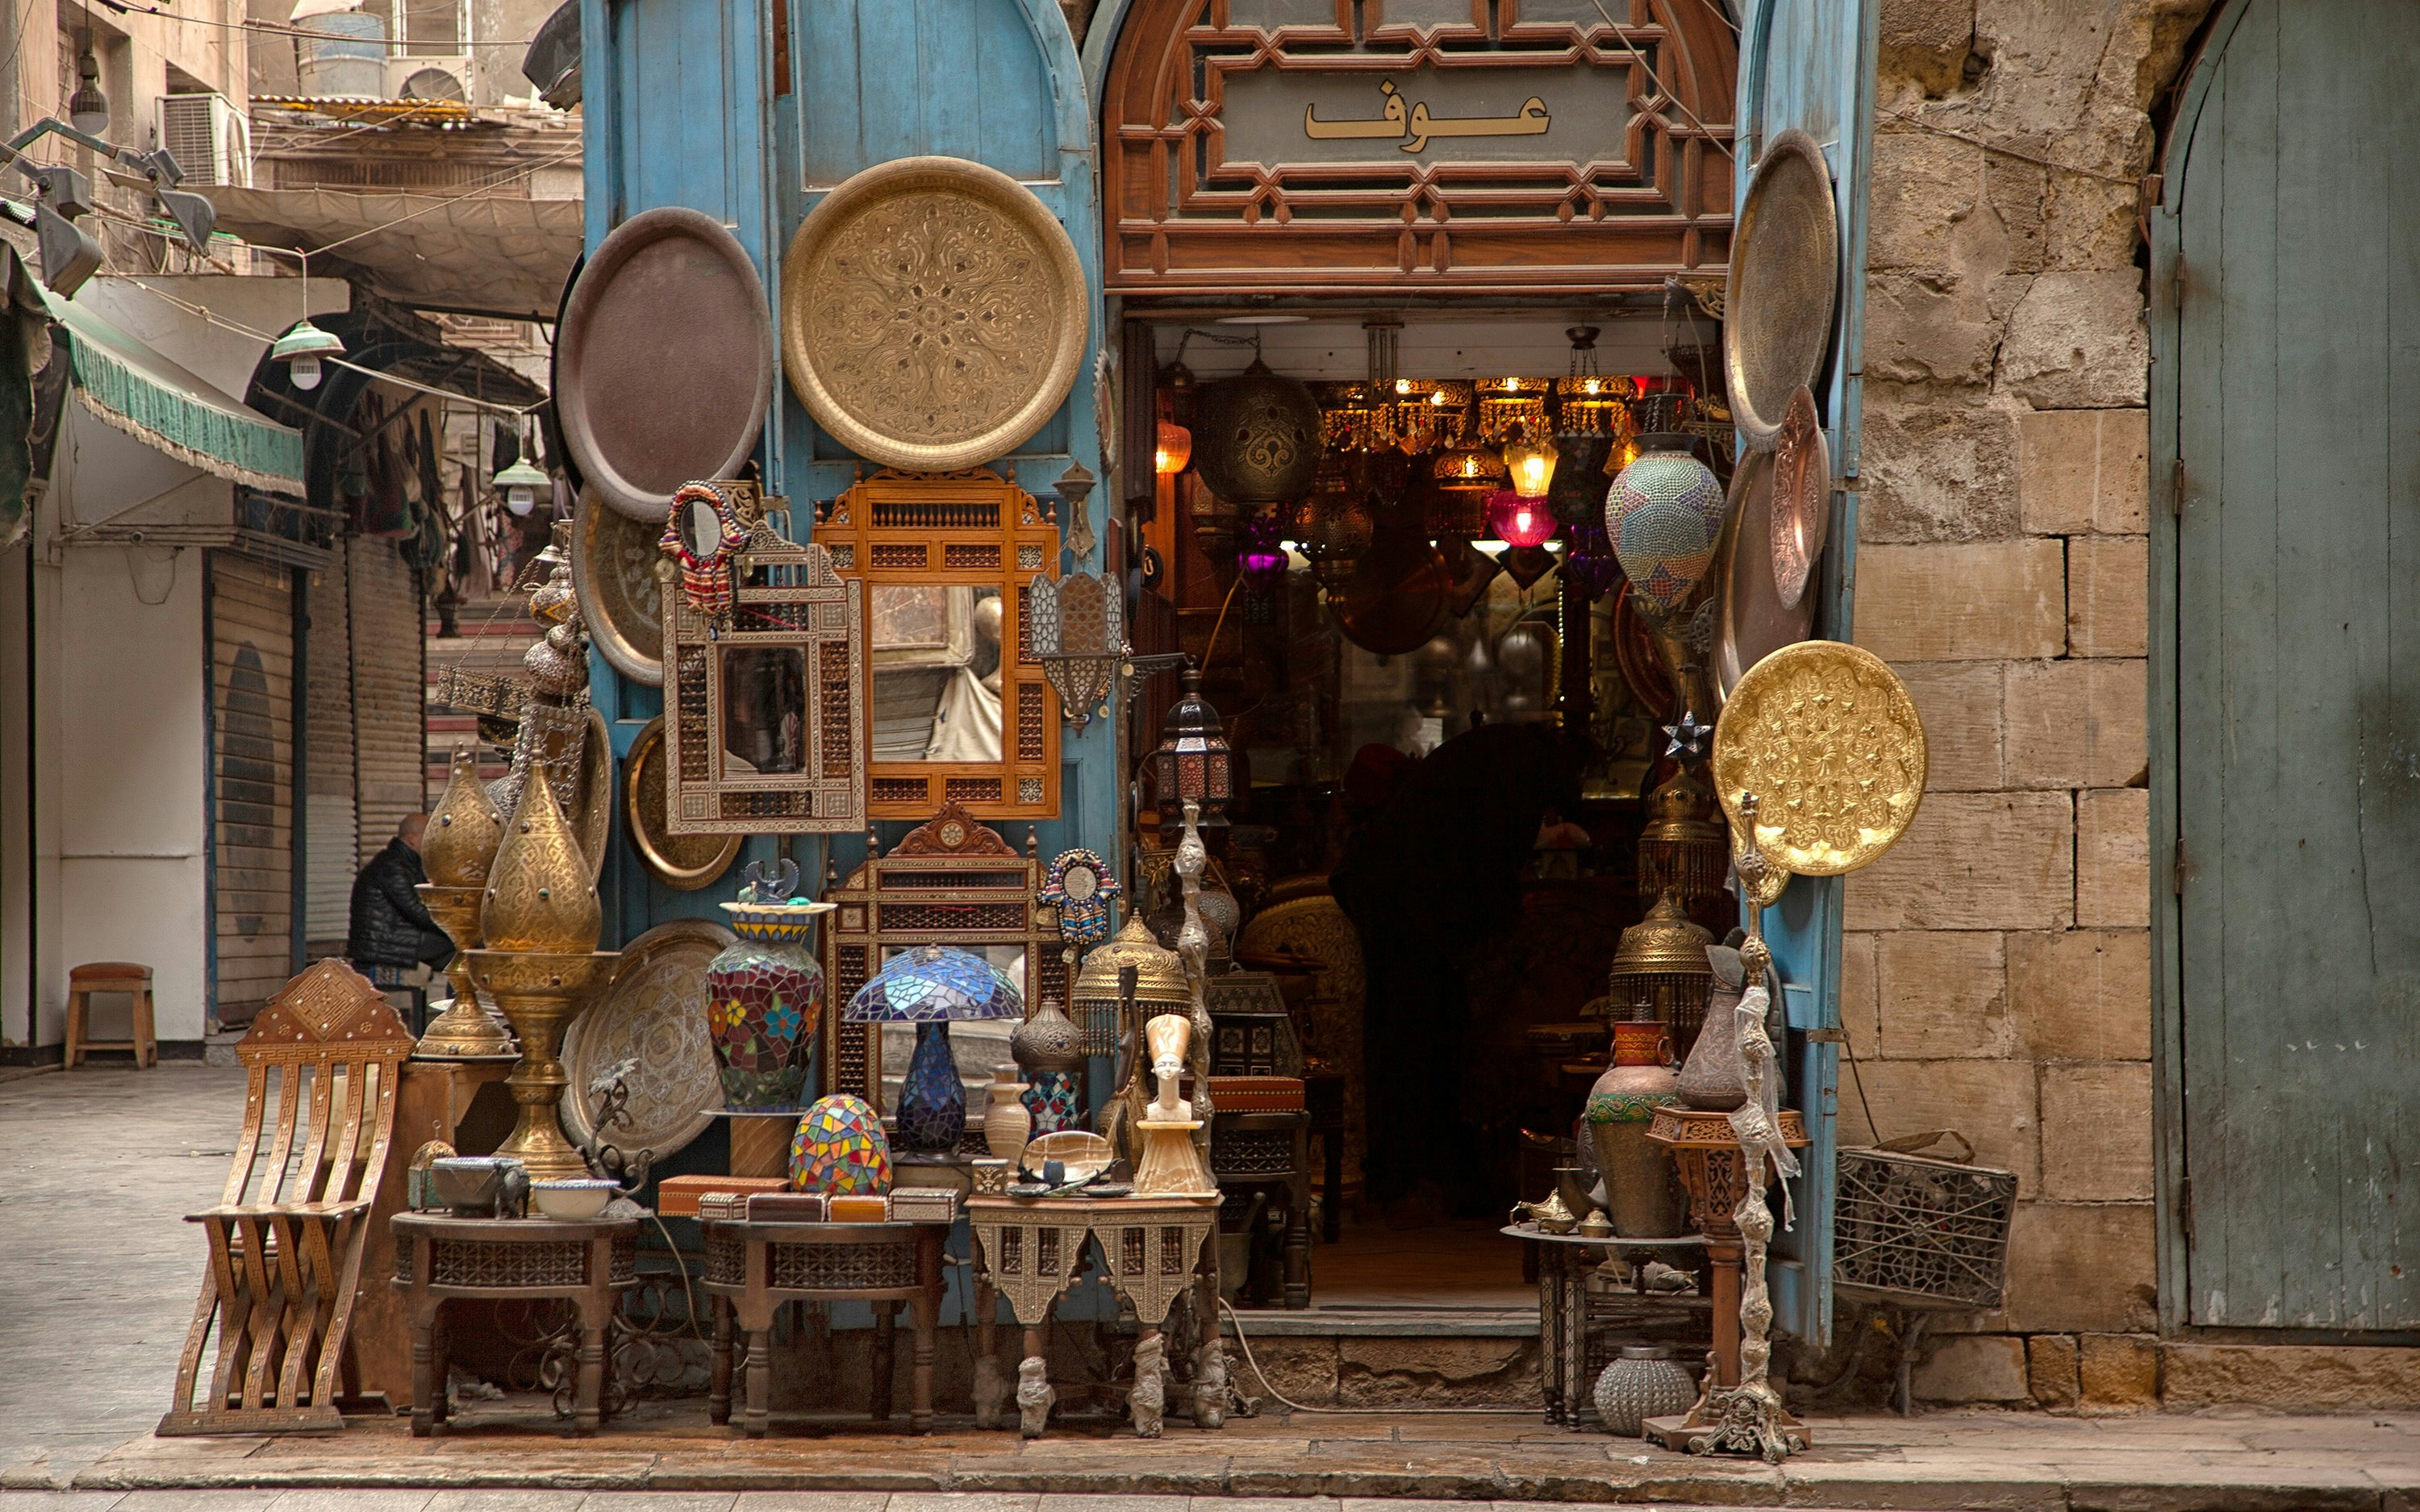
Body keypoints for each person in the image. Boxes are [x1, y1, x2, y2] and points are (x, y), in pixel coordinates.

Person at [348, 814, 454, 1006]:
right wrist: (455, 927)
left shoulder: (406, 863)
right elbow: (417, 911)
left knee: (462, 952)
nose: (434, 842)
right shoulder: (392, 866)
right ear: (413, 839)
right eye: (429, 836)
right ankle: (459, 1014)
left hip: (400, 937)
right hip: (385, 943)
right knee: (462, 952)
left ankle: (459, 1011)